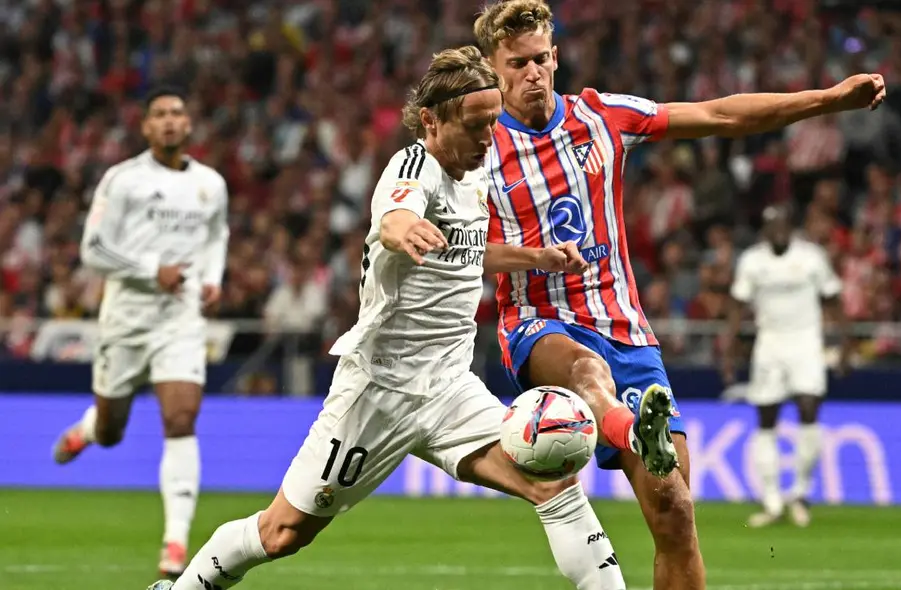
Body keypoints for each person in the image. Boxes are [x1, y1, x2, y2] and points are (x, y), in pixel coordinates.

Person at [147, 46, 626, 590]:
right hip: (379, 391)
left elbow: (466, 250)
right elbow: (397, 216)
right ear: (431, 120)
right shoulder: (413, 166)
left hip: (450, 388)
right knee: (282, 533)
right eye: (475, 125)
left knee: (552, 480)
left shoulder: (473, 177)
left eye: (493, 123)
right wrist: (402, 228)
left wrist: (536, 257)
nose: (488, 138)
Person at [472, 1, 885, 587]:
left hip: (625, 328)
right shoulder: (478, 148)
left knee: (676, 512)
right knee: (587, 372)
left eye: (540, 59)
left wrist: (828, 99)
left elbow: (719, 114)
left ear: (556, 57)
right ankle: (633, 429)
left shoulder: (601, 116)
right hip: (540, 324)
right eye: (517, 64)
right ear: (494, 68)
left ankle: (639, 433)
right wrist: (533, 258)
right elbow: (457, 250)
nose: (532, 73)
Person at [50, 86, 229, 577]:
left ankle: (175, 543)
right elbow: (93, 249)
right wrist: (153, 270)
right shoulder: (123, 179)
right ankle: (89, 429)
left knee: (181, 418)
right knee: (113, 431)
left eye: (177, 112)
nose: (169, 120)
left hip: (180, 319)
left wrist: (213, 278)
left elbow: (217, 235)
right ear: (146, 127)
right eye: (159, 114)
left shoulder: (211, 184)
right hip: (126, 320)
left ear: (188, 124)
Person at [723, 205, 850, 528]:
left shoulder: (812, 257)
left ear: (791, 227)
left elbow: (833, 299)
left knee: (809, 408)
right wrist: (729, 350)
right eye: (772, 225)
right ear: (765, 231)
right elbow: (737, 305)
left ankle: (801, 493)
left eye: (783, 224)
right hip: (769, 344)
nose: (778, 230)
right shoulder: (752, 261)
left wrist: (845, 343)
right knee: (767, 418)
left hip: (806, 342)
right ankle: (772, 501)